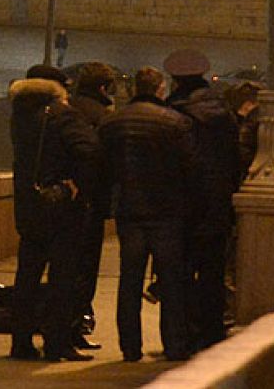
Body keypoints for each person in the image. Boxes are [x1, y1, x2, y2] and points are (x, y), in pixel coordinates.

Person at [99, 66, 197, 362]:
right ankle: (174, 345)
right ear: (160, 89)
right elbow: (190, 168)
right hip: (167, 212)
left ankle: (130, 347)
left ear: (133, 89)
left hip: (130, 211)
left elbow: (103, 167)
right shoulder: (176, 123)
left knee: (129, 281)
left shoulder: (113, 122)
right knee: (171, 282)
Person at [8, 64, 99, 362]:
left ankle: (20, 342)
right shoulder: (64, 115)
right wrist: (77, 185)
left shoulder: (20, 116)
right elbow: (89, 152)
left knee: (27, 277)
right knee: (62, 278)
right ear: (58, 89)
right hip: (61, 208)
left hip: (28, 206)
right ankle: (56, 343)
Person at [163, 47, 242, 351]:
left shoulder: (173, 112)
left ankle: (182, 333)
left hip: (182, 204)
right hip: (217, 204)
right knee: (212, 272)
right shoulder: (223, 112)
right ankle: (210, 332)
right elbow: (234, 160)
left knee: (179, 272)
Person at [66, 61, 117, 351]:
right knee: (85, 269)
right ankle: (75, 327)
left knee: (65, 267)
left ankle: (63, 327)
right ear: (102, 88)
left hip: (63, 201)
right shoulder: (102, 117)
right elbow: (103, 161)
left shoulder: (66, 110)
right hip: (91, 202)